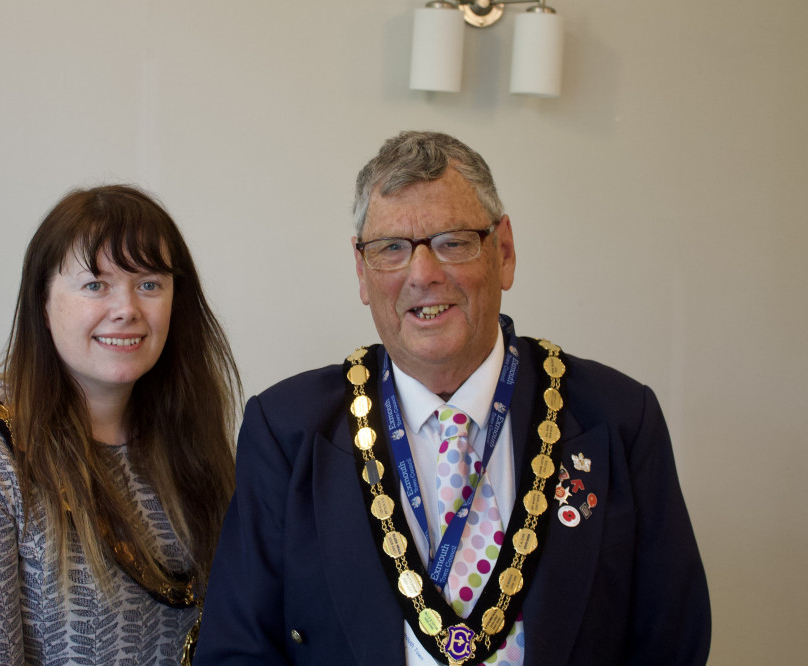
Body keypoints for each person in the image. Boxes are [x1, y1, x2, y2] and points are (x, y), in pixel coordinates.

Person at [194, 131, 711, 665]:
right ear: (362, 271)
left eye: (453, 241)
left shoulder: (620, 420)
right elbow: (238, 650)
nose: (423, 274)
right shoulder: (285, 431)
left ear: (504, 252)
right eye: (391, 248)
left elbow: (672, 643)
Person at [0, 185, 240, 665]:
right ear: (42, 301)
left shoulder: (189, 438)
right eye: (95, 285)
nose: (127, 309)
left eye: (149, 284)